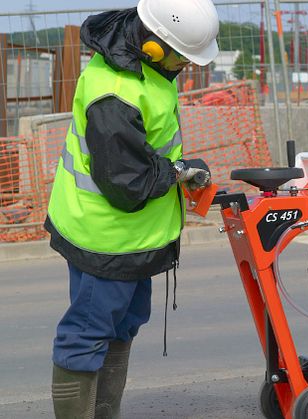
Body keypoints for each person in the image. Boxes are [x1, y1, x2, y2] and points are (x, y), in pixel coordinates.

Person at [45, 0, 219, 417]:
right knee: (86, 335)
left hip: (135, 237)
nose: (187, 67)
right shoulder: (115, 95)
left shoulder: (149, 66)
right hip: (105, 240)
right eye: (183, 56)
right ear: (155, 45)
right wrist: (178, 171)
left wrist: (176, 171)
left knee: (123, 326)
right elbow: (127, 184)